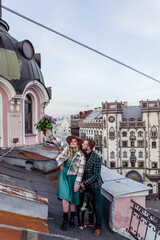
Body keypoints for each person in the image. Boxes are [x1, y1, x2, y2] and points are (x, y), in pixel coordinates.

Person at [47, 133, 86, 231]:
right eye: (72, 141)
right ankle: (65, 220)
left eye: (75, 141)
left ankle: (72, 219)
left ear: (78, 144)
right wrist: (48, 133)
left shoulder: (81, 156)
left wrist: (77, 185)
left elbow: (80, 173)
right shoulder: (66, 149)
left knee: (72, 199)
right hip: (64, 177)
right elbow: (58, 141)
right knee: (65, 197)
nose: (72, 143)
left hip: (74, 178)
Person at [81, 139, 103, 237]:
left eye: (84, 144)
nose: (82, 144)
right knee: (89, 205)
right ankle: (90, 221)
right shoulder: (83, 154)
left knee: (97, 207)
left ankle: (98, 227)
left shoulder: (96, 157)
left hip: (95, 186)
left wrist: (85, 182)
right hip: (86, 186)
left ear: (89, 147)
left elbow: (96, 175)